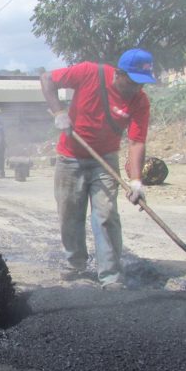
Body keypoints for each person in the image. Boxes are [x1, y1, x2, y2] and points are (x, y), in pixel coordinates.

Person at [40, 48, 157, 290]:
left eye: (142, 83)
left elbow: (136, 141)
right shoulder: (89, 73)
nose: (138, 88)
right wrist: (59, 111)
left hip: (105, 159)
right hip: (70, 157)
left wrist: (136, 180)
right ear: (120, 74)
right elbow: (47, 79)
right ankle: (76, 264)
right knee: (69, 214)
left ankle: (111, 276)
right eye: (134, 82)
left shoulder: (140, 101)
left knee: (106, 215)